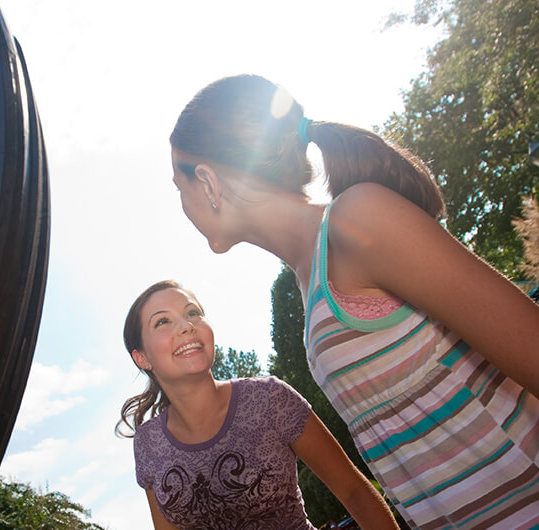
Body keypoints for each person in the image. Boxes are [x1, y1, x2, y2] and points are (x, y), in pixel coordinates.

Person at [167, 74, 539, 527]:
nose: (181, 205)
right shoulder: (310, 281)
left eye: (178, 186)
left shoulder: (356, 221)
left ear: (206, 181)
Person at [119, 280, 398, 530]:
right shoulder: (147, 443)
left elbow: (354, 492)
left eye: (193, 313)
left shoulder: (270, 397)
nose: (186, 325)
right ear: (142, 358)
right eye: (162, 321)